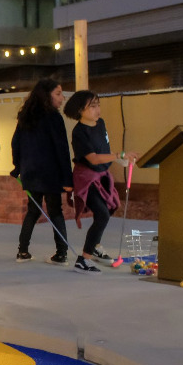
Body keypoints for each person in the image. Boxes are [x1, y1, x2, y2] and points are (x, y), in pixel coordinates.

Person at [63, 90, 139, 274]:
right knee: (102, 214)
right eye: (92, 106)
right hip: (86, 178)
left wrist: (120, 159)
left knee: (110, 208)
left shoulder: (101, 123)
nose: (98, 110)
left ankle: (95, 246)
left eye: (98, 105)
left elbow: (104, 150)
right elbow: (94, 158)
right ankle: (84, 259)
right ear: (80, 110)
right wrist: (119, 155)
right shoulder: (79, 132)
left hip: (102, 175)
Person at [10, 78, 72, 265]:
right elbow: (62, 149)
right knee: (55, 211)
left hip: (31, 172)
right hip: (50, 173)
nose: (62, 98)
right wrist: (67, 179)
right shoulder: (54, 118)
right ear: (46, 95)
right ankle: (61, 253)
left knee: (33, 210)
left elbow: (16, 143)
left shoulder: (26, 117)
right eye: (58, 94)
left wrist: (18, 167)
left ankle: (22, 251)